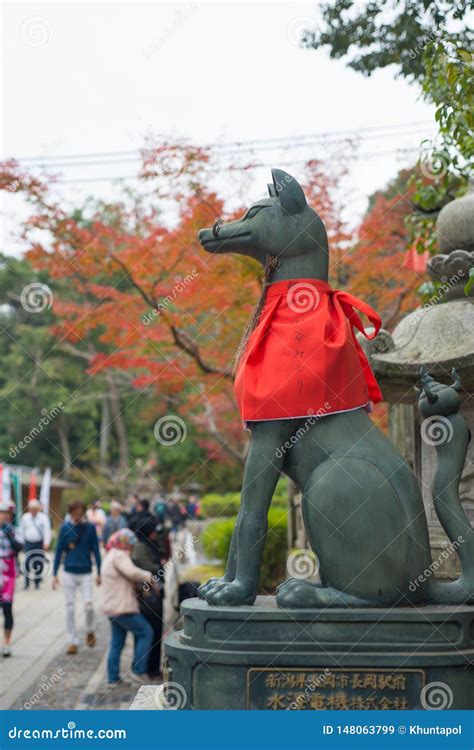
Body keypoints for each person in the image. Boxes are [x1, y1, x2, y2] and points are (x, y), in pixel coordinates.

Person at [101, 529, 153, 687]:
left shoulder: (110, 554)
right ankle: (138, 671)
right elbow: (132, 572)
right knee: (146, 632)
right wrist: (148, 575)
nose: (131, 549)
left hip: (112, 607)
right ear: (125, 543)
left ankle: (113, 677)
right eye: (130, 545)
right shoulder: (119, 555)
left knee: (117, 642)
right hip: (122, 607)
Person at [53, 500, 101, 655]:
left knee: (89, 606)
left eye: (80, 513)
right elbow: (59, 551)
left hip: (86, 571)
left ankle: (89, 630)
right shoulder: (65, 528)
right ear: (71, 513)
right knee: (70, 608)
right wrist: (54, 573)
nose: (78, 516)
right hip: (69, 572)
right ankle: (72, 640)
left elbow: (96, 550)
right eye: (75, 513)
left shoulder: (90, 528)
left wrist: (99, 571)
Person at [131, 518, 169, 677]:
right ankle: (146, 667)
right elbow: (150, 568)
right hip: (147, 597)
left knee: (156, 631)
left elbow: (163, 552)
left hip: (154, 595)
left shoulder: (149, 545)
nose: (155, 533)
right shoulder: (140, 548)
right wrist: (158, 566)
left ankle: (152, 667)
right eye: (153, 531)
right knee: (149, 632)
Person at [0, 502, 22, 657]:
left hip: (8, 570)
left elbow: (20, 547)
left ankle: (7, 643)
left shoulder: (14, 530)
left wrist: (9, 533)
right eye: (2, 512)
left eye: (7, 513)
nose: (4, 516)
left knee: (7, 607)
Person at [19, 499, 51, 589]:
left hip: (39, 543)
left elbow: (46, 531)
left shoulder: (43, 518)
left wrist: (46, 542)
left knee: (38, 563)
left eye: (35, 509)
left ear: (38, 509)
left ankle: (37, 582)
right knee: (26, 562)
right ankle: (26, 582)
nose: (33, 511)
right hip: (28, 543)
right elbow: (21, 530)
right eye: (32, 509)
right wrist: (21, 543)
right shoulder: (25, 517)